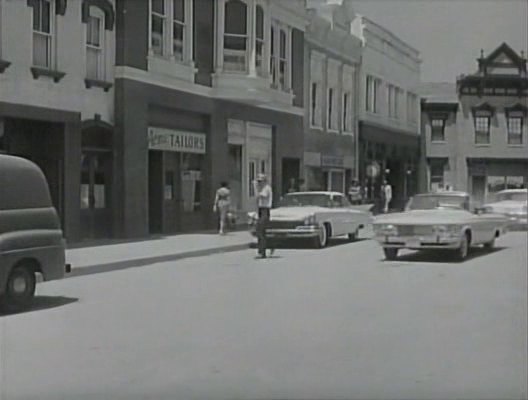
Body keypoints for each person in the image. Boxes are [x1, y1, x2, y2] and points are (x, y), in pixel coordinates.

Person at [253, 173, 273, 258]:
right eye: (258, 181)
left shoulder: (266, 188)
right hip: (261, 210)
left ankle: (262, 250)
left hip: (265, 210)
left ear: (265, 181)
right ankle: (262, 250)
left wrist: (255, 188)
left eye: (260, 181)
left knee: (260, 231)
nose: (259, 183)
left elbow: (261, 196)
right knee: (260, 231)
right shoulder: (261, 188)